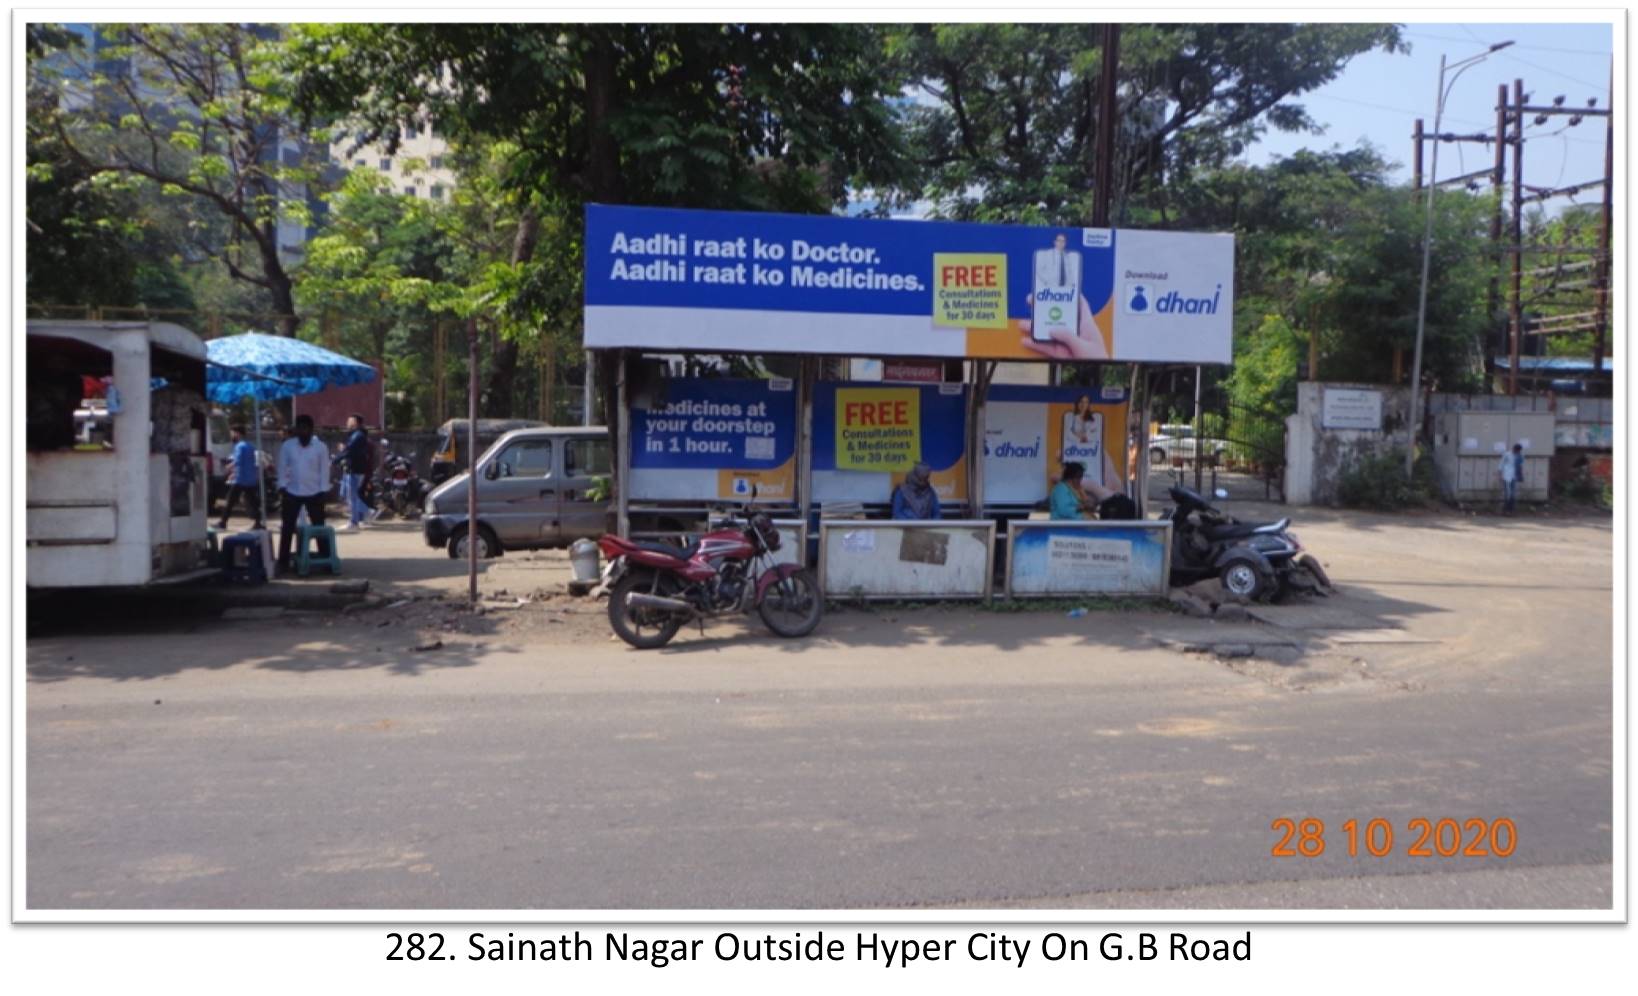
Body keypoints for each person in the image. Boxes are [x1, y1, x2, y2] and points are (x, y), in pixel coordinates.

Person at [277, 414, 332, 574]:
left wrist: (324, 490)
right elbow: (282, 467)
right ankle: (283, 562)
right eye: (299, 428)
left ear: (311, 429)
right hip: (292, 492)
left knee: (319, 527)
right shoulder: (288, 446)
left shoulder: (320, 447)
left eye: (305, 428)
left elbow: (324, 470)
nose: (302, 432)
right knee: (287, 527)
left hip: (315, 492)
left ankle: (326, 559)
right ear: (296, 430)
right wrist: (282, 486)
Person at [218, 424, 264, 530]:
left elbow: (238, 461)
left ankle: (223, 522)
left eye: (232, 433)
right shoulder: (251, 446)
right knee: (253, 502)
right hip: (250, 479)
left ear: (237, 433)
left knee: (230, 501)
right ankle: (258, 522)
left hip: (240, 479)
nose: (231, 435)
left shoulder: (239, 446)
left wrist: (229, 468)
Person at [333, 413, 372, 532]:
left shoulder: (358, 435)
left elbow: (349, 450)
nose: (347, 423)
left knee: (352, 497)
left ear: (356, 423)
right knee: (349, 494)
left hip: (355, 469)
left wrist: (335, 460)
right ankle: (361, 516)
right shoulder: (356, 435)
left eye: (350, 421)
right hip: (353, 469)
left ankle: (356, 520)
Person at [1499, 442, 1524, 514]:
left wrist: (1520, 476)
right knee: (1508, 493)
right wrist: (1500, 475)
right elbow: (1501, 464)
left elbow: (1520, 466)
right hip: (1506, 476)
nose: (1517, 452)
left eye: (1518, 451)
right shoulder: (1507, 454)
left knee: (1513, 494)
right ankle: (1506, 510)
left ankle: (1511, 510)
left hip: (1514, 476)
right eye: (1516, 450)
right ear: (1514, 449)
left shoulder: (1520, 456)